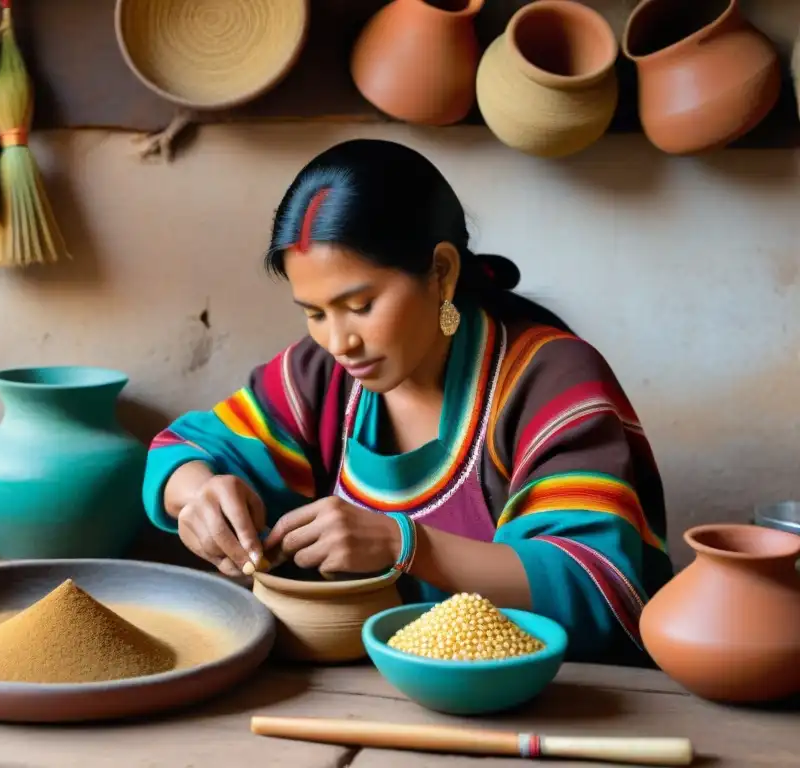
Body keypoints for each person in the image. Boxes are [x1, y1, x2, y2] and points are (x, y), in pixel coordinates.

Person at [141, 138, 673, 665]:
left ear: (441, 271)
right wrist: (201, 495)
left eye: (361, 304)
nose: (339, 340)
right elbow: (181, 450)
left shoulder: (550, 381)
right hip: (362, 693)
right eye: (315, 312)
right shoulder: (323, 373)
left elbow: (593, 583)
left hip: (546, 701)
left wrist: (407, 545)